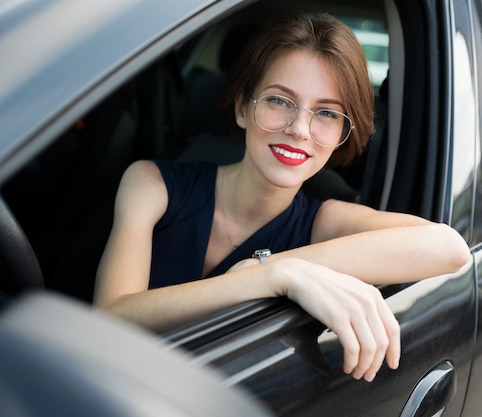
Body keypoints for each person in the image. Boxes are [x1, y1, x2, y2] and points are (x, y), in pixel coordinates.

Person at [93, 14, 470, 383]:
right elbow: (111, 318)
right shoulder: (152, 183)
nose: (299, 129)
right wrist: (275, 275)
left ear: (343, 129)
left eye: (326, 112)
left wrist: (276, 267)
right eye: (279, 101)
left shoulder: (324, 221)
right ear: (242, 107)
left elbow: (449, 246)